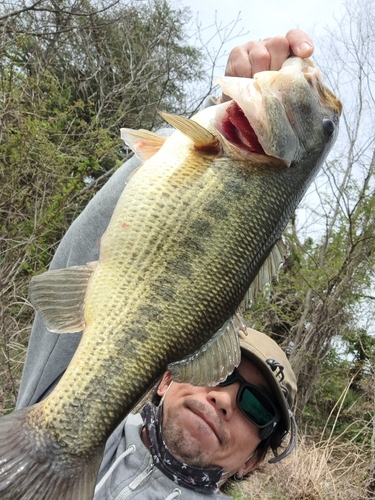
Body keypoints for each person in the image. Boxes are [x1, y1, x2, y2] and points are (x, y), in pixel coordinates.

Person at [16, 30, 314, 499]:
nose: (222, 400)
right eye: (216, 373)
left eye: (257, 408)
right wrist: (221, 118)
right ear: (167, 379)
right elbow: (84, 248)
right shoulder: (50, 427)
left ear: (253, 460)